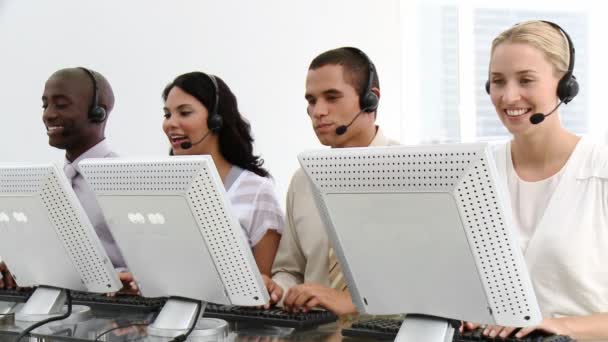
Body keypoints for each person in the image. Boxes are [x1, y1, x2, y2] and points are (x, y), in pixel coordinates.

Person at [467, 20, 608, 340]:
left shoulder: (601, 172)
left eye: (526, 80)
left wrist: (563, 326)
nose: (508, 96)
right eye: (497, 81)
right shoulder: (477, 173)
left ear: (565, 86)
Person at [265, 47, 399, 315]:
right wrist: (277, 289)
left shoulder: (412, 174)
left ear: (370, 100)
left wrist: (353, 304)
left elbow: (427, 288)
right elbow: (289, 269)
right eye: (312, 100)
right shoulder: (303, 179)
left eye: (332, 97)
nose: (318, 111)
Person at [162, 71, 284, 276]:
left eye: (184, 113)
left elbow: (267, 286)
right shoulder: (164, 189)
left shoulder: (257, 191)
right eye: (167, 114)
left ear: (216, 120)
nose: (170, 123)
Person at [41, 67, 134, 292]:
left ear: (98, 112)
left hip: (115, 316)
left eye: (61, 105)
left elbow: (153, 265)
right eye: (45, 105)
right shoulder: (49, 184)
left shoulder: (127, 181)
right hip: (52, 316)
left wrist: (130, 280)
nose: (48, 114)